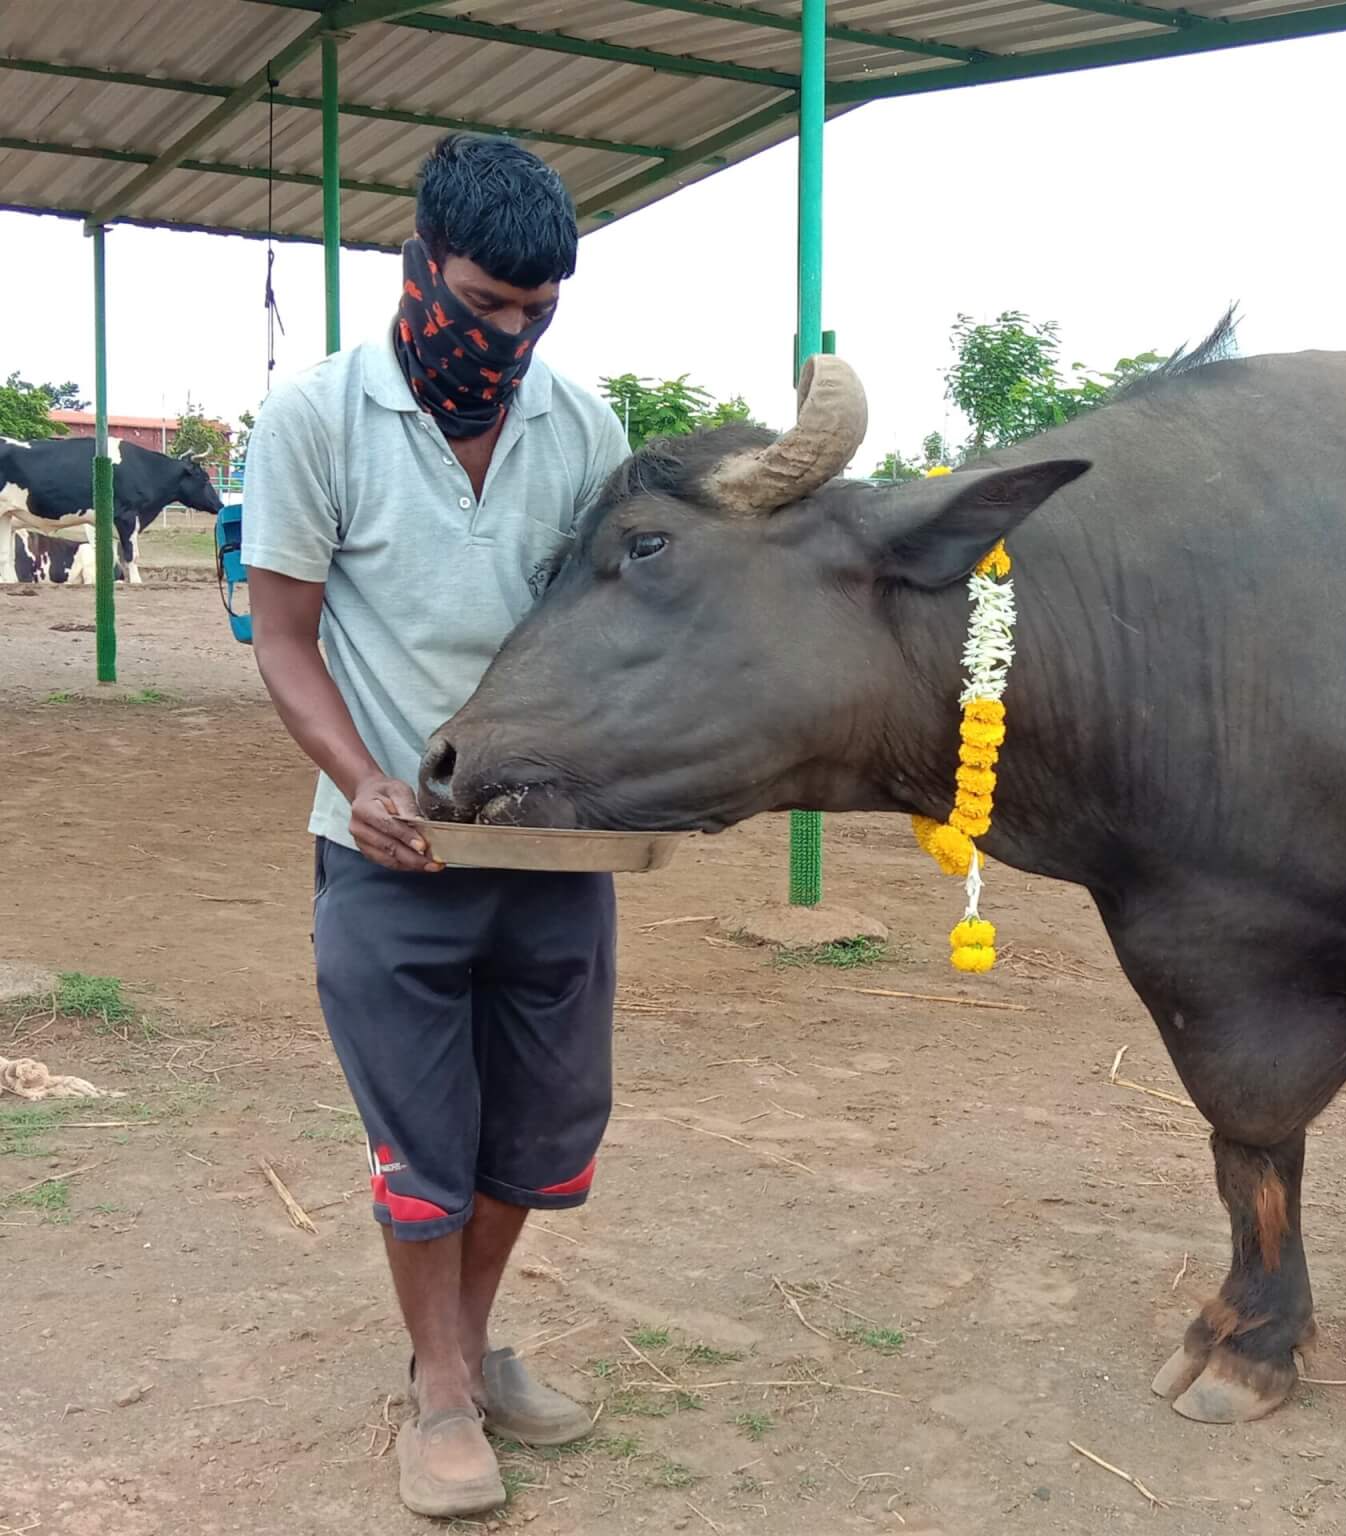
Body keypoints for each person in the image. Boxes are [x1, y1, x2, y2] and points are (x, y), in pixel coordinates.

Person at [241, 133, 631, 1520]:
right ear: (418, 267)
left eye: (539, 311)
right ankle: (448, 1392)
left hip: (546, 857)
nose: (512, 336)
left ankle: (457, 1343)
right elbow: (284, 639)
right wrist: (361, 776)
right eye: (485, 304)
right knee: (425, 1139)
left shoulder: (584, 431)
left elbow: (603, 642)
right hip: (386, 854)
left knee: (538, 1130)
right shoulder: (315, 421)